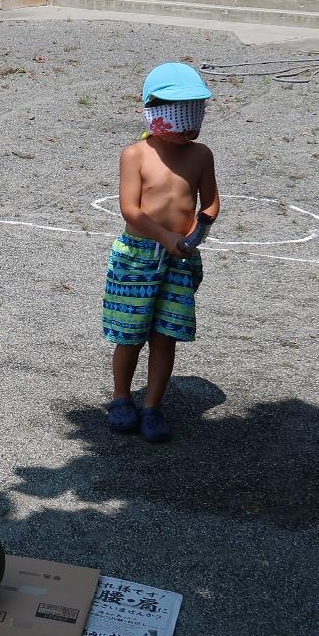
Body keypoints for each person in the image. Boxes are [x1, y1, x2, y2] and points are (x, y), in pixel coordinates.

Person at [103, 63, 222, 443]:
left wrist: (198, 230)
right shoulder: (135, 154)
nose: (188, 122)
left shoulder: (201, 154)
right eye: (179, 110)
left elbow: (212, 201)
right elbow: (131, 210)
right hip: (137, 255)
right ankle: (122, 397)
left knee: (165, 335)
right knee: (130, 333)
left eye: (194, 110)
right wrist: (165, 236)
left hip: (180, 259)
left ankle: (153, 405)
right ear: (154, 110)